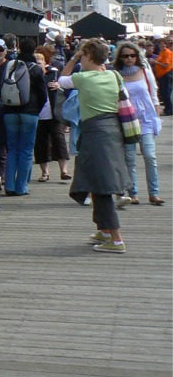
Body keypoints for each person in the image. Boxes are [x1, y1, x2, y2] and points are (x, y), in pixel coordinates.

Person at [57, 39, 131, 254]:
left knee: (101, 185)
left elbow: (61, 80)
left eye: (83, 56)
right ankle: (105, 231)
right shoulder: (114, 75)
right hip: (113, 132)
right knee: (97, 181)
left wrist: (73, 57)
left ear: (88, 56)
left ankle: (116, 240)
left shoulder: (83, 78)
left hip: (95, 134)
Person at [112, 41, 164, 206]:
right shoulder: (116, 75)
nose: (129, 58)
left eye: (132, 55)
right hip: (127, 121)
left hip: (146, 119)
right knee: (129, 158)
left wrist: (157, 117)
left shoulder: (145, 72)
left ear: (137, 56)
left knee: (150, 156)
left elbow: (154, 95)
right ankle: (133, 193)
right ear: (120, 57)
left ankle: (154, 193)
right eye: (126, 56)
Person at [2, 37, 47, 197]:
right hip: (30, 112)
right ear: (34, 51)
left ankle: (9, 185)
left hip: (10, 111)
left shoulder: (10, 66)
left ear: (19, 48)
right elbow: (43, 94)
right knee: (26, 150)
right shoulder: (35, 69)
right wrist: (36, 110)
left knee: (12, 148)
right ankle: (21, 186)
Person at [33, 46, 71, 182]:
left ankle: (64, 171)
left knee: (59, 140)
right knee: (40, 143)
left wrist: (58, 86)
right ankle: (45, 173)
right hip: (39, 115)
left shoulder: (53, 73)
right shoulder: (31, 76)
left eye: (39, 62)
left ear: (45, 63)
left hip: (54, 113)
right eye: (35, 62)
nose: (37, 65)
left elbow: (65, 86)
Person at [154, 38, 172, 116]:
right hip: (161, 75)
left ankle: (170, 109)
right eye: (160, 44)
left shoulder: (167, 53)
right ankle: (167, 108)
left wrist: (156, 62)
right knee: (164, 92)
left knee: (166, 93)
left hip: (166, 74)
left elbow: (166, 65)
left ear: (166, 44)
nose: (162, 45)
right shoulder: (161, 52)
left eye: (163, 43)